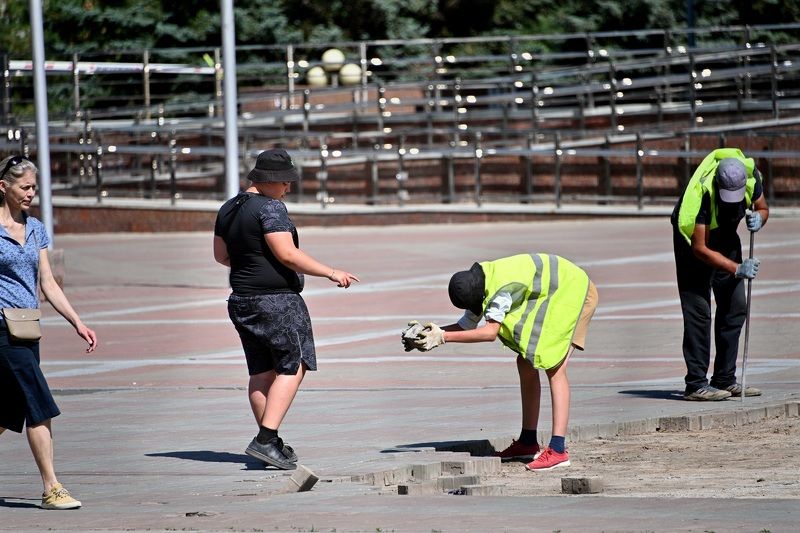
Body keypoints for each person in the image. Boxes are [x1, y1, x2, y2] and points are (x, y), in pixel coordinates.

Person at [213, 148, 359, 470]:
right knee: (294, 365)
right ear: (270, 180)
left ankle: (271, 442)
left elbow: (221, 256)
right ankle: (266, 439)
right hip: (277, 302)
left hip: (242, 301)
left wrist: (252, 261)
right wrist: (331, 272)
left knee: (261, 372)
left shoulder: (228, 208)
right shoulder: (270, 207)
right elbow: (288, 254)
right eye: (285, 182)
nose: (288, 189)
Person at [404, 253, 598, 471]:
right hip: (558, 290)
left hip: (575, 292)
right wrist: (428, 334)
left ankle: (558, 450)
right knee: (525, 362)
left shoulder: (499, 292)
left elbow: (490, 332)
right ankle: (528, 441)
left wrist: (443, 337)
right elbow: (467, 326)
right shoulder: (480, 280)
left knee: (555, 367)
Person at [0, 155, 98, 509]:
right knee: (37, 404)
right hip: (1, 329)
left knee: (8, 409)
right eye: (24, 187)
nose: (30, 194)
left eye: (34, 188)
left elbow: (48, 283)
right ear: (3, 187)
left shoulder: (36, 228)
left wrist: (77, 322)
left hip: (27, 327)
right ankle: (51, 488)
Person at [672, 148, 768, 401]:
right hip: (692, 243)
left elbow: (762, 207)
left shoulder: (752, 177)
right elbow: (700, 248)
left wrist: (760, 218)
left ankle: (725, 378)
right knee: (699, 312)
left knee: (736, 307)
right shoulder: (701, 195)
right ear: (717, 183)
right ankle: (696, 384)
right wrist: (736, 268)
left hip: (725, 236)